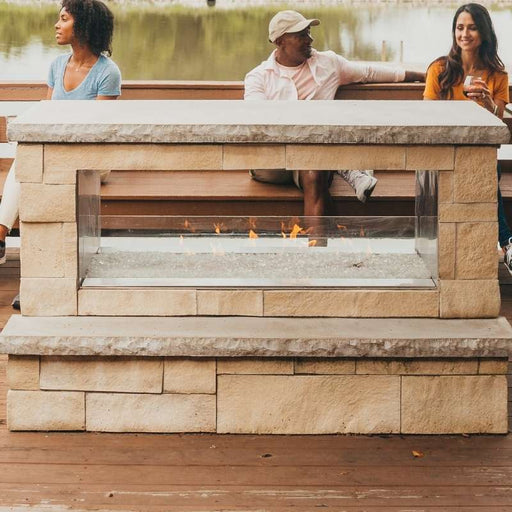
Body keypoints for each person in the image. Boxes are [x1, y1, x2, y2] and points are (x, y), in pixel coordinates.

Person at [244, 10, 425, 219]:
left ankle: (316, 250)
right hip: (272, 161)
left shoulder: (328, 64)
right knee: (315, 158)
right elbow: (256, 122)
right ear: (280, 41)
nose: (309, 39)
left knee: (314, 172)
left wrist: (421, 75)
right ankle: (351, 171)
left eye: (309, 32)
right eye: (301, 35)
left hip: (315, 160)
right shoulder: (258, 77)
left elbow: (370, 72)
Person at [0, 0, 121, 309]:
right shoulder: (56, 65)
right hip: (56, 155)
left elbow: (100, 133)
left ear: (82, 26)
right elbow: (47, 118)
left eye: (64, 19)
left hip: (93, 159)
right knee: (32, 171)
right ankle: (28, 277)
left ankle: (15, 257)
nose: (57, 25)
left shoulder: (107, 72)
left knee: (35, 174)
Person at [423, 3, 511, 273]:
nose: (465, 34)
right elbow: (427, 118)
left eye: (472, 28)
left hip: (479, 151)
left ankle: (485, 251)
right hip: (443, 149)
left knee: (484, 168)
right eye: (460, 28)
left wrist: (487, 102)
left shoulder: (497, 75)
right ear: (454, 32)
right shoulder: (439, 69)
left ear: (484, 33)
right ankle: (507, 243)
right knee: (484, 173)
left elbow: (499, 124)